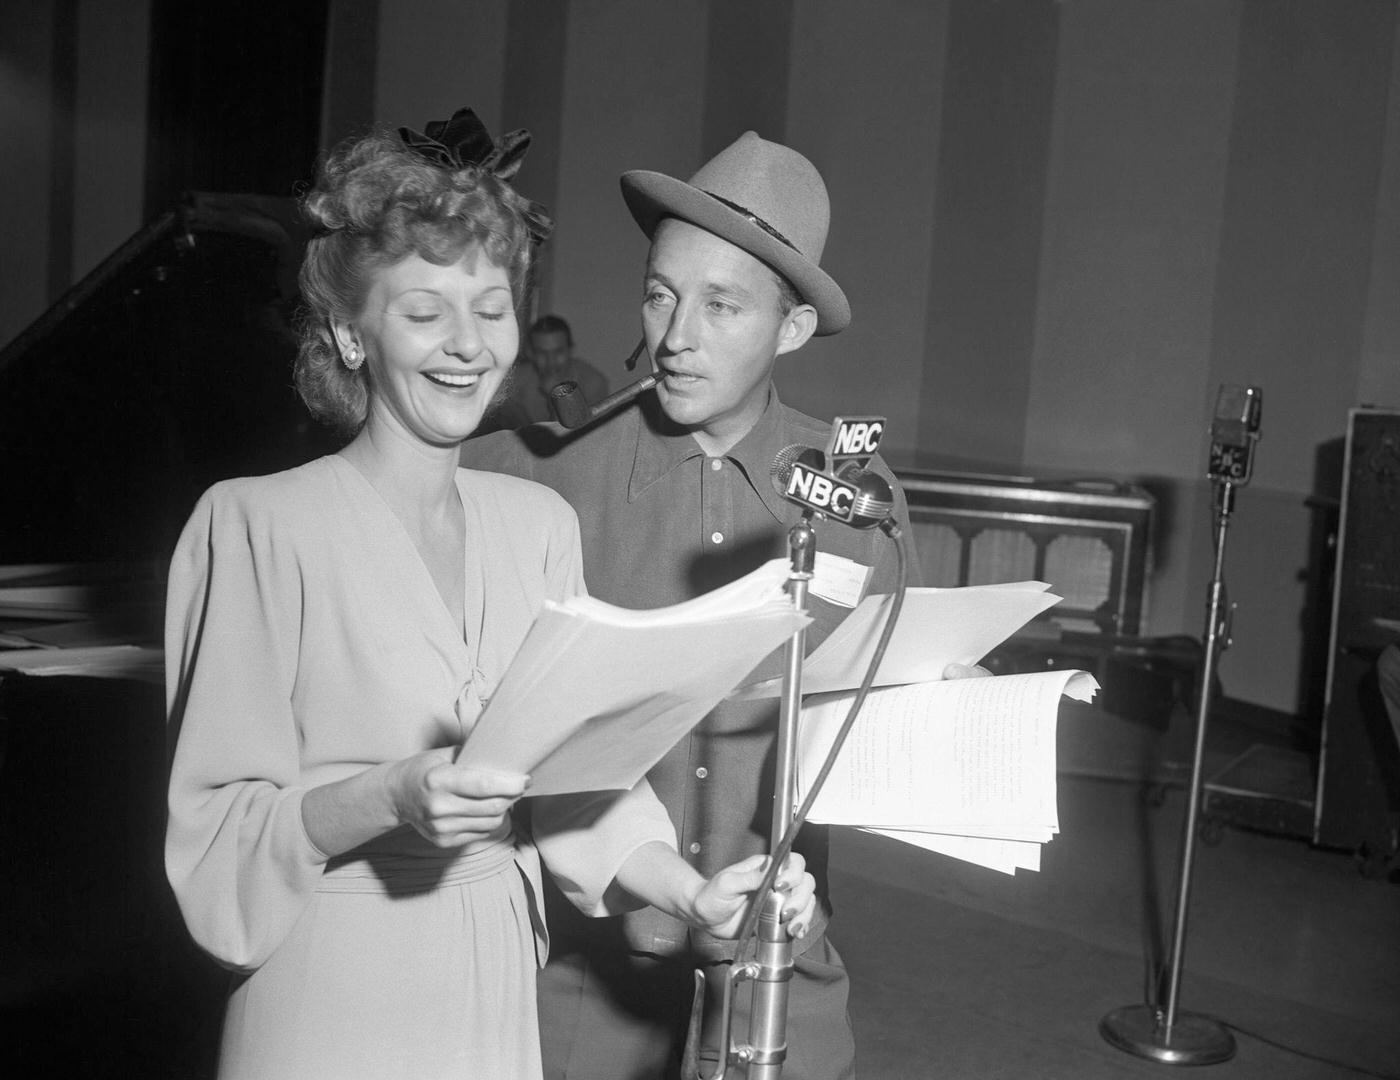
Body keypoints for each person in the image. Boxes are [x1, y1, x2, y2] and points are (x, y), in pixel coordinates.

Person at [163, 109, 816, 1080]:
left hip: (495, 971)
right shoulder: (256, 526)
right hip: (335, 981)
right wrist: (390, 795)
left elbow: (575, 784)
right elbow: (218, 840)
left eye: (492, 307)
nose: (467, 346)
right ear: (351, 332)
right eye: (424, 312)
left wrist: (692, 893)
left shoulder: (536, 526)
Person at [465, 131, 921, 1079]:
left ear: (791, 329)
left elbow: (874, 714)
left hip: (776, 963)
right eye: (661, 293)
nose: (676, 338)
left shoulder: (858, 495)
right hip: (582, 969)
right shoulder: (549, 474)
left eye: (721, 306)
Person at [495, 314, 611, 426]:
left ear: (571, 350)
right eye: (542, 353)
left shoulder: (592, 383)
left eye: (558, 352)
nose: (550, 362)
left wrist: (557, 396)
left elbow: (581, 440)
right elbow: (513, 439)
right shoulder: (515, 383)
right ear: (531, 353)